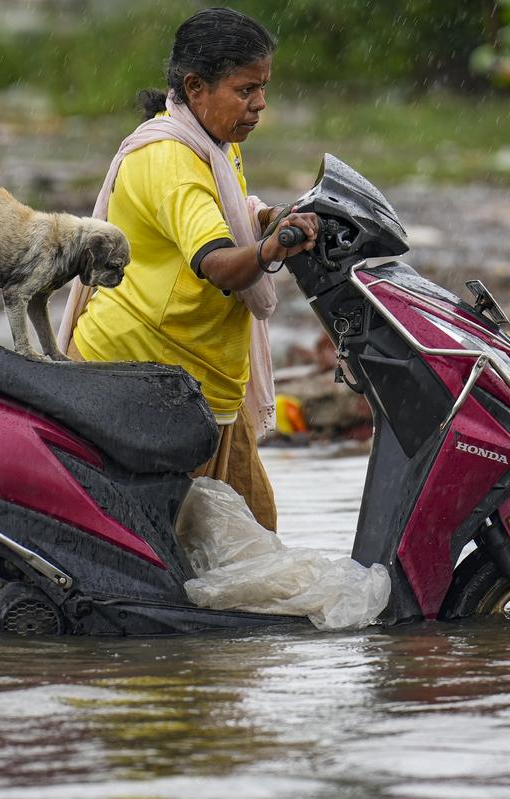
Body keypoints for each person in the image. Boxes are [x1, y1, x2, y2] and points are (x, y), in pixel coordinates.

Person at [57, 7, 318, 531]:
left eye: (263, 88)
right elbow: (219, 264)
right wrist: (268, 251)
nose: (260, 104)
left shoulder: (214, 140)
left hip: (207, 379)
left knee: (253, 538)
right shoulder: (171, 161)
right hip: (146, 381)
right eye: (246, 90)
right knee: (174, 555)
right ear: (195, 86)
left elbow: (225, 212)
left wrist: (267, 218)